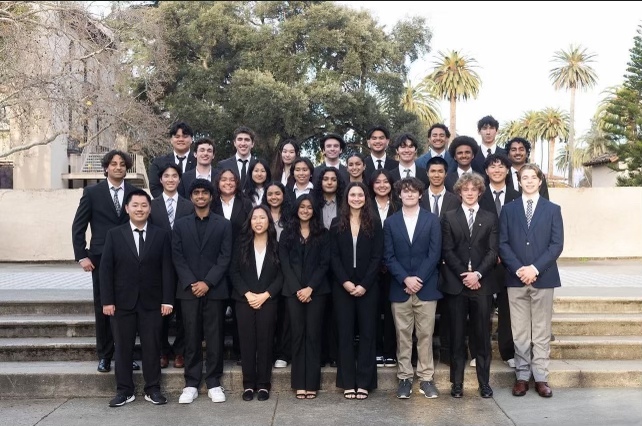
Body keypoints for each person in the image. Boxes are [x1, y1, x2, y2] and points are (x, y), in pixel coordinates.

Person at [100, 189, 174, 407]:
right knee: (122, 348)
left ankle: (153, 389)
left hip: (152, 303)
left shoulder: (161, 235)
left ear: (150, 209)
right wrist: (107, 301)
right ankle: (124, 390)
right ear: (127, 208)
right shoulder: (115, 234)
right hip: (122, 303)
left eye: (144, 205)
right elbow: (106, 270)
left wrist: (167, 300)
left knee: (152, 347)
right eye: (135, 205)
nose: (140, 209)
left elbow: (167, 269)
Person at [71, 150, 139, 373]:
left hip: (130, 259)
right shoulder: (92, 192)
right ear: (106, 167)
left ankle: (125, 355)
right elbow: (78, 226)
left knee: (127, 310)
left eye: (122, 164)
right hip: (100, 258)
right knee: (104, 308)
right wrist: (82, 256)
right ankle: (104, 356)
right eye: (113, 164)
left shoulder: (134, 193)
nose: (118, 167)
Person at [499, 164, 563, 398]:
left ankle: (541, 377)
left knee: (541, 330)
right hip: (515, 279)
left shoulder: (552, 209)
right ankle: (522, 376)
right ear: (518, 181)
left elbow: (556, 245)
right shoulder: (508, 209)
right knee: (520, 331)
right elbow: (503, 244)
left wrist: (534, 268)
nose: (528, 181)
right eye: (523, 177)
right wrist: (519, 269)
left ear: (540, 180)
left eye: (532, 177)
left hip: (543, 278)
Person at [172, 179, 233, 404]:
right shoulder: (179, 225)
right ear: (191, 197)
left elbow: (225, 257)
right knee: (191, 336)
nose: (200, 196)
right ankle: (191, 383)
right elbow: (177, 256)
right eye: (196, 192)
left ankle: (214, 382)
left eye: (204, 193)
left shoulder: (223, 224)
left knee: (215, 337)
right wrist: (192, 282)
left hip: (215, 290)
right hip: (188, 291)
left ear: (211, 196)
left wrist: (207, 282)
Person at [439, 173, 499, 399]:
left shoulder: (490, 217)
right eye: (466, 189)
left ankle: (484, 383)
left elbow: (493, 251)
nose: (470, 192)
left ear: (480, 192)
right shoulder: (449, 217)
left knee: (482, 337)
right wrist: (465, 275)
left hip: (482, 285)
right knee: (456, 336)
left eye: (474, 189)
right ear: (459, 192)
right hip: (456, 284)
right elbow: (447, 250)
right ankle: (457, 383)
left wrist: (478, 274)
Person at [384, 177, 442, 399]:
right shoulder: (390, 223)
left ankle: (426, 379)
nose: (409, 194)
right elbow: (388, 256)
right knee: (403, 335)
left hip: (426, 287)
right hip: (400, 288)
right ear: (399, 195)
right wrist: (405, 279)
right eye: (405, 191)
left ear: (420, 195)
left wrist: (417, 278)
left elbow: (434, 254)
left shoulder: (432, 220)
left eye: (413, 191)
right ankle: (405, 378)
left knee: (426, 334)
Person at [330, 182, 383, 400]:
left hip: (368, 286)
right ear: (346, 198)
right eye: (353, 195)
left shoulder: (375, 223)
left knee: (368, 334)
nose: (356, 198)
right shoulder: (336, 223)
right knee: (345, 334)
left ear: (366, 198)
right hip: (343, 287)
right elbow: (333, 256)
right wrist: (346, 282)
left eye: (360, 195)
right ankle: (347, 381)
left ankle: (364, 382)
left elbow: (377, 256)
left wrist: (364, 284)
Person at [279, 195, 331, 400]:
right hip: (293, 292)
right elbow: (284, 263)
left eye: (310, 207)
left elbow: (324, 264)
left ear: (314, 211)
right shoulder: (287, 234)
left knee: (313, 335)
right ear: (296, 209)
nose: (306, 210)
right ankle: (299, 383)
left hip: (317, 293)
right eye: (302, 207)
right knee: (298, 335)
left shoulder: (323, 234)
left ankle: (312, 384)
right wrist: (298, 289)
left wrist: (310, 288)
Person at [230, 205, 283, 402]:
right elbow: (233, 272)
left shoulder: (277, 245)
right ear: (250, 222)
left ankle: (263, 385)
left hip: (268, 300)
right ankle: (248, 385)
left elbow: (281, 274)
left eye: (262, 218)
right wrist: (248, 293)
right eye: (255, 218)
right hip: (244, 300)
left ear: (269, 221)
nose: (258, 221)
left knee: (265, 341)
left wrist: (266, 295)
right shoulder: (241, 244)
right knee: (247, 342)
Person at [149, 163, 195, 370]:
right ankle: (162, 350)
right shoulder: (151, 205)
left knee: (185, 313)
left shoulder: (189, 205)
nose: (170, 179)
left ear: (179, 180)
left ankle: (180, 351)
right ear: (160, 180)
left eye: (174, 176)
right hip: (158, 266)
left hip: (185, 264)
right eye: (166, 176)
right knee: (161, 312)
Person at [479, 154, 520, 369]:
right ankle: (479, 352)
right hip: (483, 261)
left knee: (507, 309)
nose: (496, 170)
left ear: (507, 170)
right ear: (486, 171)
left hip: (509, 262)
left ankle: (508, 352)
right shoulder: (477, 195)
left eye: (501, 166)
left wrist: (506, 253)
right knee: (481, 309)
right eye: (492, 167)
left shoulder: (517, 196)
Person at [418, 156, 460, 365]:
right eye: (432, 171)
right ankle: (422, 356)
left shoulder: (455, 199)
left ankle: (446, 353)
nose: (436, 175)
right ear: (427, 173)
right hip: (423, 264)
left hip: (449, 264)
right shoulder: (417, 198)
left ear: (446, 174)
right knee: (423, 312)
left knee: (449, 310)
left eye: (440, 171)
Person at [211, 168, 254, 364]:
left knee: (239, 310)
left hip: (239, 262)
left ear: (237, 183)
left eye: (232, 180)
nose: (228, 182)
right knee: (217, 312)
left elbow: (249, 231)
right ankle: (215, 354)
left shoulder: (245, 203)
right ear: (217, 182)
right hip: (216, 263)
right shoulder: (211, 203)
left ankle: (240, 352)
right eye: (224, 179)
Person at [369, 169, 399, 368]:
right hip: (370, 268)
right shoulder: (365, 206)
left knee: (391, 311)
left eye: (385, 182)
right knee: (372, 312)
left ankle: (389, 351)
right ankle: (377, 350)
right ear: (372, 185)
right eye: (378, 182)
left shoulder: (398, 206)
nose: (382, 185)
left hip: (394, 268)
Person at [262, 181, 292, 368]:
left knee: (285, 313)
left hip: (287, 269)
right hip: (266, 270)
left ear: (283, 195)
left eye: (277, 193)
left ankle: (282, 352)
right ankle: (267, 351)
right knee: (268, 313)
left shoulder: (290, 217)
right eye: (270, 194)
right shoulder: (260, 215)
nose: (274, 197)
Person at [149, 122, 196, 198]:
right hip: (167, 207)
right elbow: (155, 188)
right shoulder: (158, 162)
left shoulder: (199, 162)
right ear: (171, 140)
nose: (181, 139)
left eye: (185, 136)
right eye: (177, 137)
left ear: (191, 139)